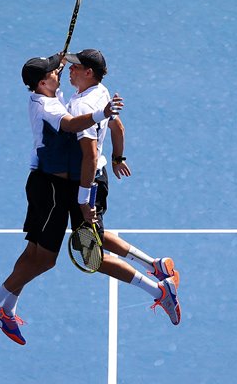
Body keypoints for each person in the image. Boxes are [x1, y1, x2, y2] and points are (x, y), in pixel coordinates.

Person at [0, 52, 123, 345]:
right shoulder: (47, 106)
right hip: (48, 189)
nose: (61, 72)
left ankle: (7, 310)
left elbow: (54, 73)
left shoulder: (48, 91)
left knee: (32, 255)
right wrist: (101, 113)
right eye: (55, 72)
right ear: (43, 82)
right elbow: (69, 124)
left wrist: (59, 60)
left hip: (50, 184)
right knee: (45, 260)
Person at [63, 49, 181, 325]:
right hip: (98, 176)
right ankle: (156, 266)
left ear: (88, 72)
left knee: (91, 255)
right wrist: (118, 157)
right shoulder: (101, 93)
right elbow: (119, 129)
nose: (70, 70)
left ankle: (159, 290)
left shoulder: (83, 106)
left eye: (74, 67)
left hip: (86, 181)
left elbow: (90, 155)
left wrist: (83, 198)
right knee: (98, 236)